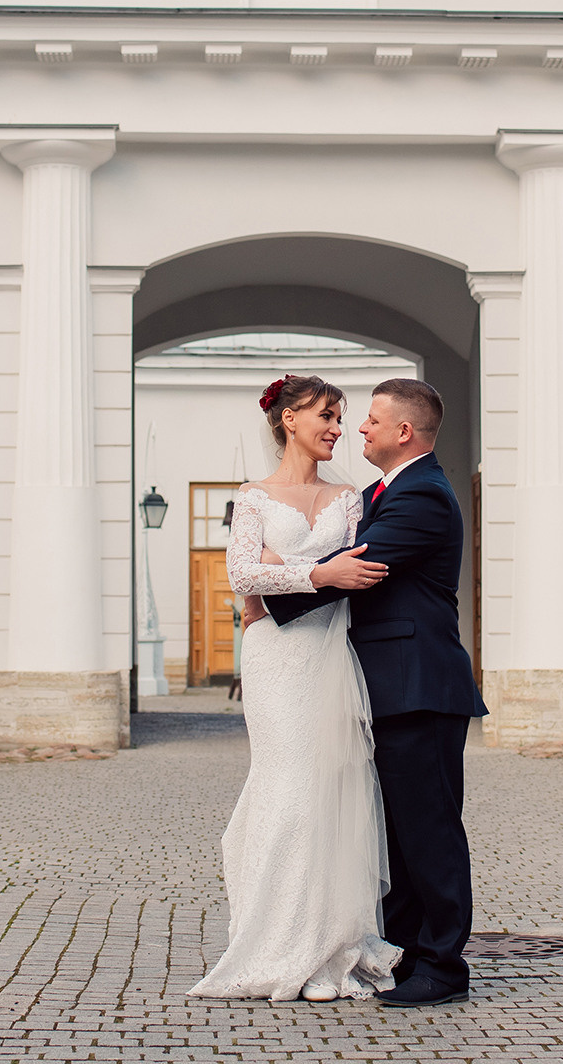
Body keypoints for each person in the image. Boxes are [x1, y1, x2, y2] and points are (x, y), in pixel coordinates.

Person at [260, 376, 488, 1008]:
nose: (358, 429)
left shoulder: (425, 497)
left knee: (430, 830)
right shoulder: (380, 490)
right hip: (385, 686)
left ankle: (443, 967)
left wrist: (268, 599)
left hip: (419, 686)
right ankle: (407, 953)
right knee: (397, 830)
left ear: (403, 432)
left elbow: (360, 564)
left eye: (371, 421)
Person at [188, 374, 401, 1003]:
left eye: (342, 417)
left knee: (333, 786)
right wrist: (319, 571)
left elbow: (357, 572)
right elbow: (242, 576)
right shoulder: (253, 497)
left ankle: (331, 939)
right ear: (289, 419)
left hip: (333, 655)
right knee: (288, 782)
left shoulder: (351, 500)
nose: (339, 428)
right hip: (277, 660)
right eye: (328, 416)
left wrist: (291, 574)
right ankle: (277, 939)